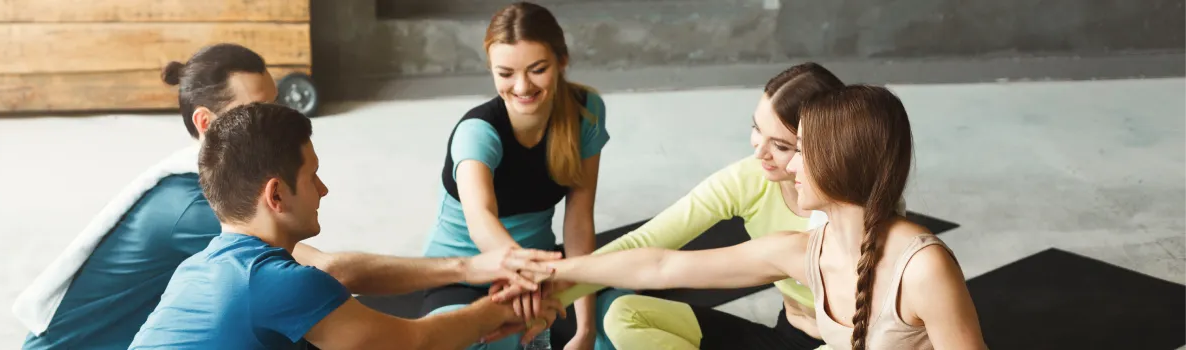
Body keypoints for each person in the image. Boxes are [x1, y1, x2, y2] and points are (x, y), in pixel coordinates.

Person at [14, 43, 556, 350]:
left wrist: (475, 297)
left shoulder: (214, 246)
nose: (325, 189)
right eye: (258, 108)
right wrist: (484, 291)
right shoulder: (193, 214)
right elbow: (365, 306)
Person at [541, 85, 989, 350]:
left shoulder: (922, 268)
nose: (788, 166)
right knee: (626, 313)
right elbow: (660, 264)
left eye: (800, 152)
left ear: (839, 163)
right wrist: (549, 276)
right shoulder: (806, 251)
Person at [129, 102, 564, 349]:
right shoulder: (271, 283)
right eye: (312, 176)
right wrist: (505, 310)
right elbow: (415, 343)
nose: (324, 189)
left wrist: (470, 269)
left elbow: (335, 272)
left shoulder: (205, 269)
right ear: (276, 195)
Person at [548, 62, 845, 349]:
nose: (759, 153)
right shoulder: (751, 178)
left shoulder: (852, 211)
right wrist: (551, 291)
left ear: (818, 146)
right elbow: (648, 246)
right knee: (625, 314)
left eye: (780, 145)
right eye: (757, 129)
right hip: (786, 335)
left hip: (845, 343)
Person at [418, 2, 625, 348]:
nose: (522, 86)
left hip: (539, 268)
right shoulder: (477, 132)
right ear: (492, 70)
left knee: (617, 320)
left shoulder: (586, 113)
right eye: (506, 73)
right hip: (465, 273)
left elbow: (578, 219)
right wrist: (525, 275)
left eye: (537, 69)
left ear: (561, 61)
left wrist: (584, 328)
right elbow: (480, 219)